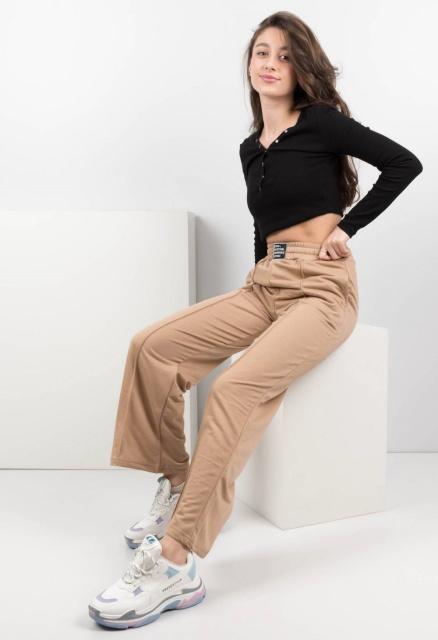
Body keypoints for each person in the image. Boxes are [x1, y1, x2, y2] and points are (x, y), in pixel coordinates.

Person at [88, 10, 423, 629]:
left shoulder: (320, 121)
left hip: (323, 289)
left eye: (285, 55)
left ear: (302, 68)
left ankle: (177, 562)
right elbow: (261, 227)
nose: (270, 63)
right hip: (266, 282)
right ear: (249, 63)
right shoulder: (250, 149)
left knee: (235, 388)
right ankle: (178, 484)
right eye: (261, 52)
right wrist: (254, 295)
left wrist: (347, 229)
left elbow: (405, 163)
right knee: (151, 346)